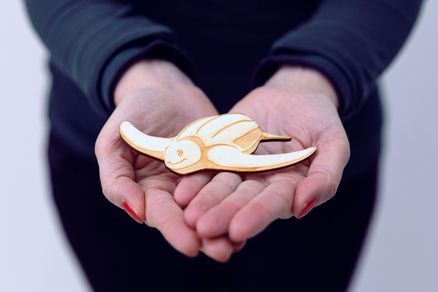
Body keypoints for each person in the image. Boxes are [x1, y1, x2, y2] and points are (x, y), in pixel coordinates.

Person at [25, 1, 422, 291]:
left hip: (312, 147)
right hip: (124, 158)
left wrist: (315, 73)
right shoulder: (156, 148)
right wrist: (136, 71)